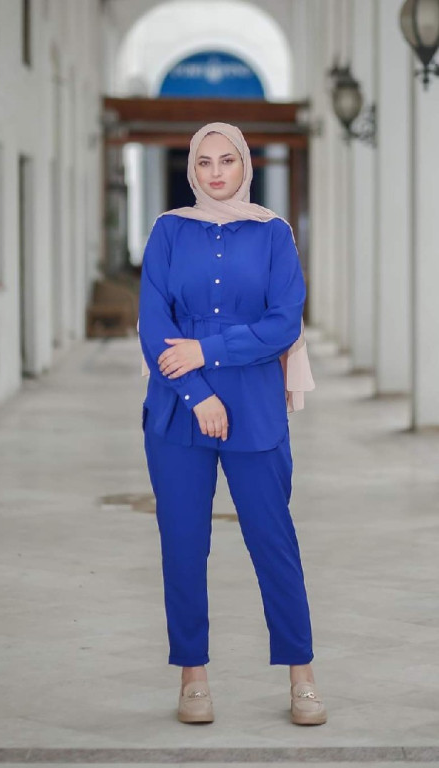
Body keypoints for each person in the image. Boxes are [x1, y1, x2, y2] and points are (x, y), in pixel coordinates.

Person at [137, 122, 327, 727]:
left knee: (274, 542)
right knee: (183, 544)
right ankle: (192, 676)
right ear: (191, 169)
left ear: (246, 165)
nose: (216, 173)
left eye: (227, 160)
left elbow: (284, 323)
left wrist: (207, 351)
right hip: (177, 409)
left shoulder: (273, 233)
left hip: (255, 408)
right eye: (204, 162)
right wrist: (198, 393)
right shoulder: (169, 230)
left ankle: (302, 674)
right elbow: (153, 324)